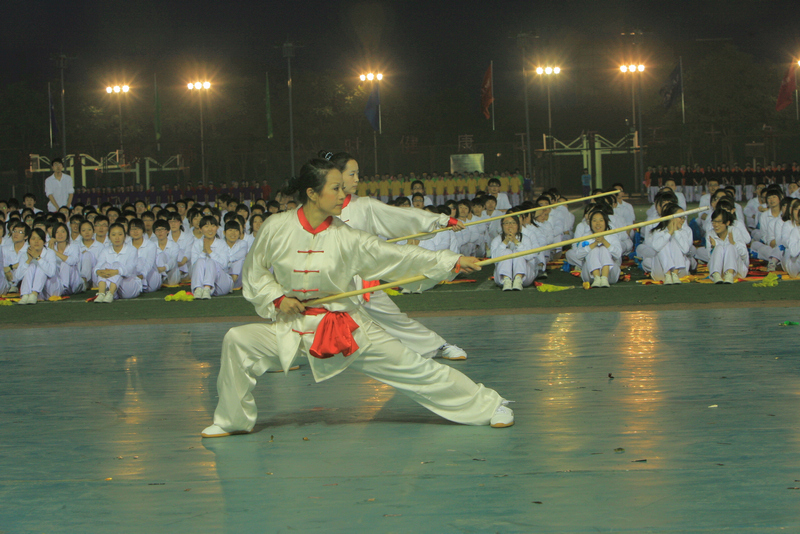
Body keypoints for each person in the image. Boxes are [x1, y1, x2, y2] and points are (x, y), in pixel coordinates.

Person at [199, 158, 513, 438]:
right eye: (335, 189)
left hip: (346, 328)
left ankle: (491, 405)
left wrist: (449, 262)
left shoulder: (346, 235)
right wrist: (279, 299)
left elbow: (395, 256)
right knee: (238, 340)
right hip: (293, 326)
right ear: (312, 193)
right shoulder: (275, 227)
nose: (342, 196)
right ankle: (232, 420)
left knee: (416, 369)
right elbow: (254, 271)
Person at [327, 151, 470, 361]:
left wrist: (440, 221)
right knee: (304, 320)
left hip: (362, 279)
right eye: (352, 174)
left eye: (358, 174)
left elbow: (402, 216)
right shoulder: (319, 208)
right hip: (326, 281)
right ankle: (275, 355)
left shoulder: (364, 206)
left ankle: (439, 346)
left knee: (394, 319)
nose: (357, 179)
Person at [571, 209, 623, 288]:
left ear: (606, 222)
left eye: (601, 220)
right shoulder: (586, 236)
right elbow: (578, 255)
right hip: (589, 276)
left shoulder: (612, 235)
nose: (598, 223)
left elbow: (618, 254)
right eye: (594, 221)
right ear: (590, 223)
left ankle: (604, 278)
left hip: (610, 275)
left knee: (603, 248)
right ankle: (597, 278)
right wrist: (593, 244)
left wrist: (605, 242)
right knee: (594, 249)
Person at [491, 214, 541, 291]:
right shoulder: (497, 240)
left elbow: (529, 256)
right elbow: (494, 259)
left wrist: (517, 242)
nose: (510, 226)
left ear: (518, 226)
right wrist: (505, 242)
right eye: (506, 223)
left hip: (525, 276)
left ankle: (518, 279)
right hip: (502, 278)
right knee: (507, 252)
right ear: (502, 226)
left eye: (513, 223)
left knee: (518, 252)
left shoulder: (525, 239)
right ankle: (507, 280)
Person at [94, 222, 141, 303]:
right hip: (112, 286)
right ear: (109, 237)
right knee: (104, 266)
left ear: (124, 236)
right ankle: (101, 294)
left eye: (120, 234)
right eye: (113, 235)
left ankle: (110, 293)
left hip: (128, 285)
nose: (117, 238)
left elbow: (130, 268)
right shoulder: (105, 251)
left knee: (117, 264)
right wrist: (99, 271)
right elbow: (98, 266)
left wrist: (116, 271)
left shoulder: (131, 250)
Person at [15, 228, 60, 304]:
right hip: (35, 290)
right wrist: (28, 260)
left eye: (39, 239)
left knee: (40, 266)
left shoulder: (50, 253)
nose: (36, 241)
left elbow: (51, 273)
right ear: (29, 241)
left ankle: (34, 294)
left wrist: (38, 258)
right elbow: (17, 277)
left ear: (44, 242)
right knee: (30, 266)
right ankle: (25, 295)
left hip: (51, 287)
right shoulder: (24, 254)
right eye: (33, 238)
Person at [706, 208, 748, 284]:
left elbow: (744, 254)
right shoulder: (710, 234)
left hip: (737, 268)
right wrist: (714, 247)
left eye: (719, 222)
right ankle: (716, 275)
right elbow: (709, 257)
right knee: (718, 248)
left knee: (730, 247)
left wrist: (734, 243)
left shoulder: (735, 231)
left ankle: (729, 274)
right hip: (719, 268)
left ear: (727, 223)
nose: (716, 225)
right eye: (714, 222)